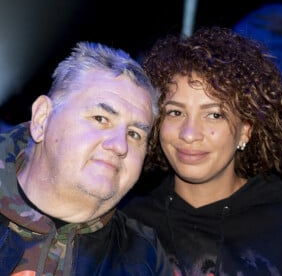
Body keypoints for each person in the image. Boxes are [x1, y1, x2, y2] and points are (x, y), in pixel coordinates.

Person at [120, 26, 282, 275]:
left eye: (214, 115)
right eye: (175, 112)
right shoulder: (129, 227)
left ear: (245, 130)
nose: (189, 133)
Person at [0, 41, 173, 275]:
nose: (120, 145)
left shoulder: (146, 259)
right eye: (101, 118)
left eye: (134, 134)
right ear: (42, 119)